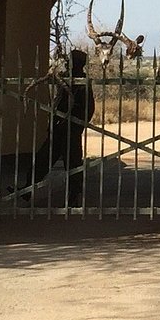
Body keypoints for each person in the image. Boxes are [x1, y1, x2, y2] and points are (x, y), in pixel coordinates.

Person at [28, 49, 95, 206]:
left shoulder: (82, 82)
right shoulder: (65, 78)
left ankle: (74, 195)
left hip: (71, 129)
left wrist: (78, 125)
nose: (67, 62)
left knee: (73, 164)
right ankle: (26, 189)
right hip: (58, 127)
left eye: (71, 60)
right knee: (43, 158)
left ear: (78, 64)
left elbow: (88, 107)